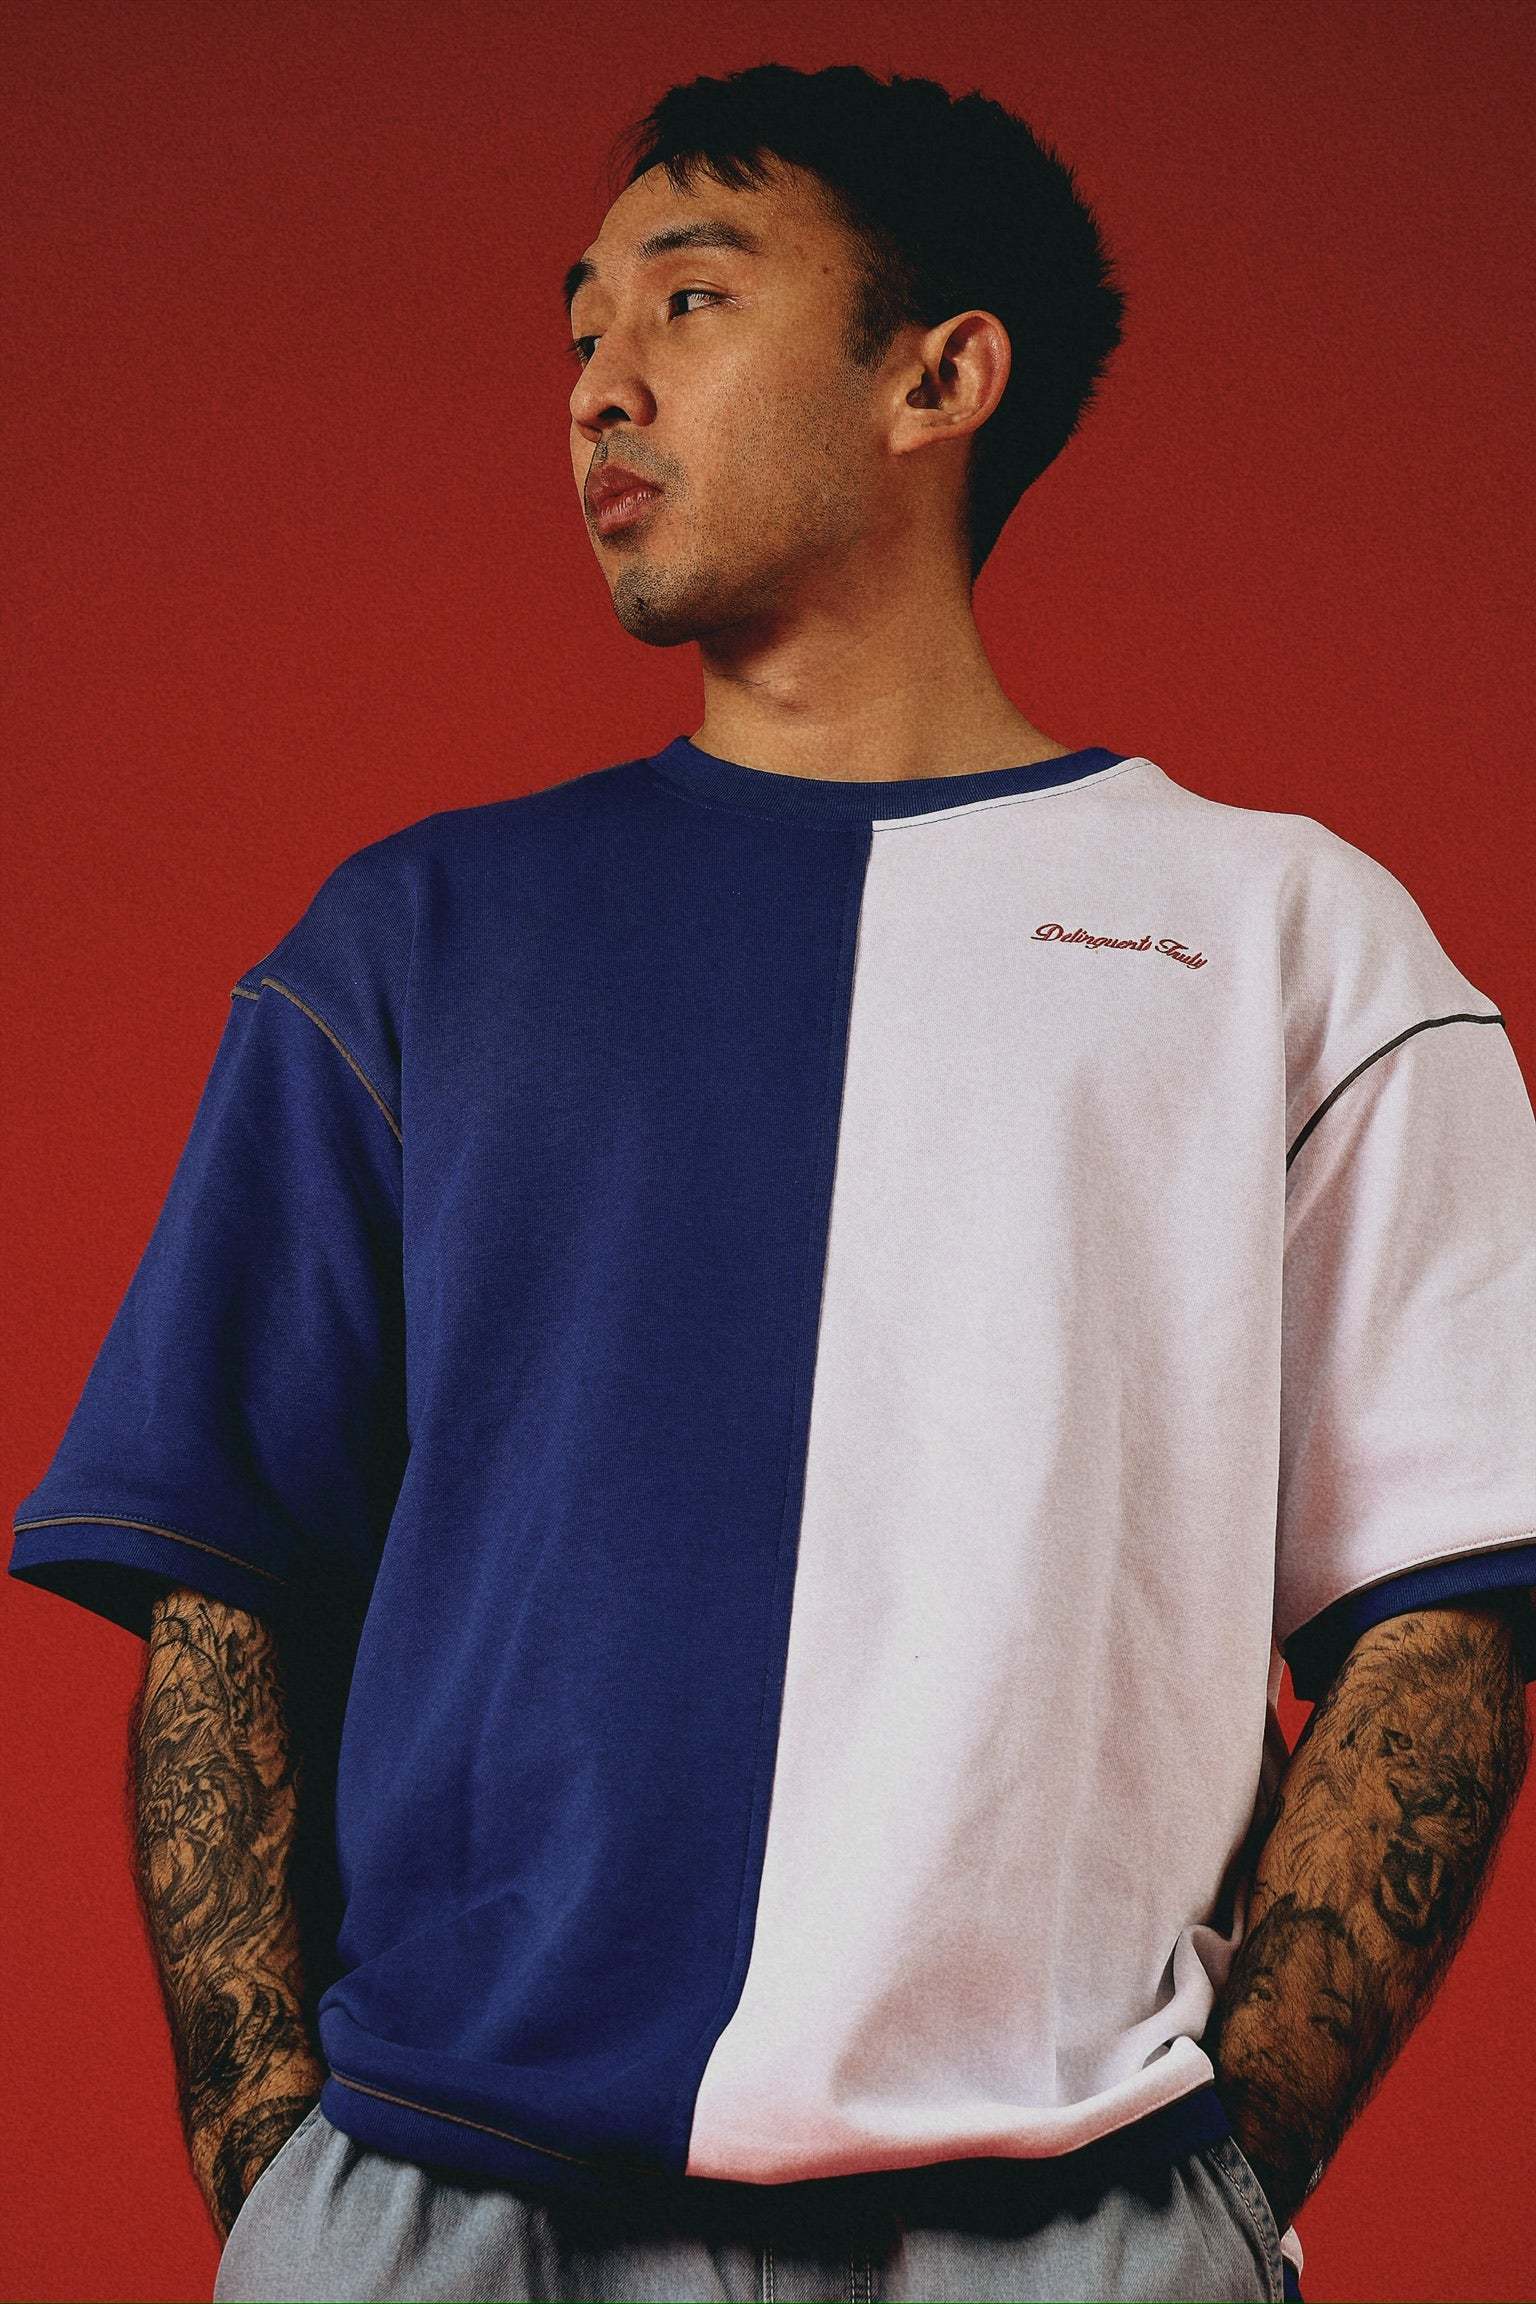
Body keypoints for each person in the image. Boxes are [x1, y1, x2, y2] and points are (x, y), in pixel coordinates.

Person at [11, 59, 1536, 2304]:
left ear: (939, 378)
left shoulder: (1293, 947)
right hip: (440, 2218)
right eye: (578, 329)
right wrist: (281, 2187)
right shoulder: (413, 943)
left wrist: (1213, 2197)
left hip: (1071, 2225)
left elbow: (1444, 1614)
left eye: (690, 299)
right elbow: (224, 1589)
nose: (598, 386)